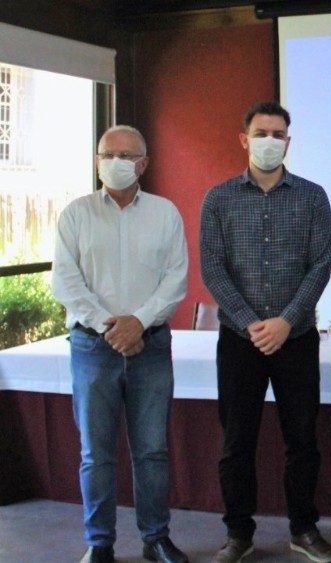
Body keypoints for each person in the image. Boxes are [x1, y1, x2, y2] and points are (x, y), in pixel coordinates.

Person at [199, 101, 331, 563]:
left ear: (288, 142)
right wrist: (250, 322)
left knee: (303, 440)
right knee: (237, 442)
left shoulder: (313, 197)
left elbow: (320, 266)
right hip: (240, 341)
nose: (269, 141)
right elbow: (213, 268)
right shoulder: (218, 199)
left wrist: (286, 321)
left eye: (278, 134)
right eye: (261, 133)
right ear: (244, 139)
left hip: (296, 339)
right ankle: (239, 533)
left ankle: (304, 529)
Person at [52, 125, 189, 563]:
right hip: (92, 348)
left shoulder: (165, 213)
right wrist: (110, 327)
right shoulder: (75, 215)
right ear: (97, 161)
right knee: (95, 454)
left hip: (150, 347)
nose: (115, 161)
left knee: (152, 452)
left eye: (126, 155)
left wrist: (138, 322)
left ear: (143, 164)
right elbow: (66, 283)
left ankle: (155, 538)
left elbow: (176, 279)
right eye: (107, 154)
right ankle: (99, 543)